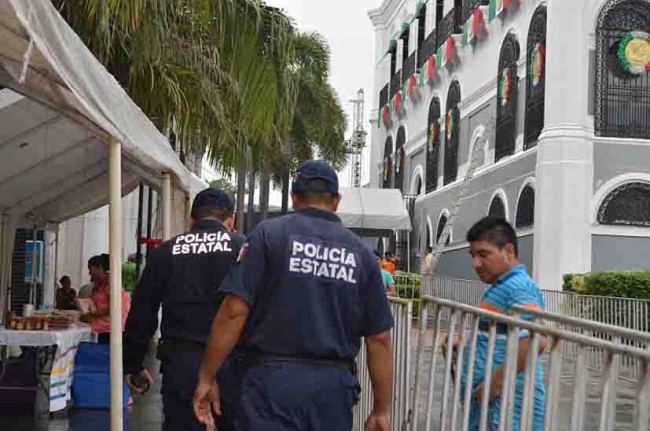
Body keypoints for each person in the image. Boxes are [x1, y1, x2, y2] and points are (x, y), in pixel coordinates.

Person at [193, 160, 395, 431]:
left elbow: (234, 312)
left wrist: (207, 376)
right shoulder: (362, 255)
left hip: (271, 388)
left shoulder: (268, 236)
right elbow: (379, 338)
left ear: (294, 197)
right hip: (331, 392)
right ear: (336, 201)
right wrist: (381, 409)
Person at [122, 188, 242, 431]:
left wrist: (133, 363)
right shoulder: (245, 249)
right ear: (231, 220)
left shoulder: (165, 252)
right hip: (232, 363)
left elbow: (142, 312)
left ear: (191, 219)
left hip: (180, 364)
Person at [458, 216, 547, 431]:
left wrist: (494, 384)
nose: (475, 264)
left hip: (506, 411)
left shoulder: (519, 288)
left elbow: (537, 339)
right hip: (492, 407)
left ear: (508, 251)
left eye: (483, 254)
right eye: (472, 255)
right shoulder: (500, 285)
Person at [79, 254, 131, 344]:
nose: (89, 273)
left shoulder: (111, 284)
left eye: (90, 269)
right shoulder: (100, 285)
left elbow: (113, 307)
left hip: (110, 329)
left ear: (99, 268)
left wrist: (93, 315)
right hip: (103, 327)